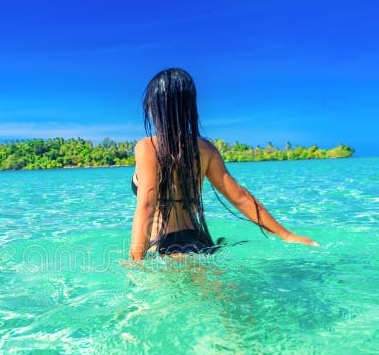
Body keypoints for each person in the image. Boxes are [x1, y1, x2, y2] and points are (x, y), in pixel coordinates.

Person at [130, 68, 319, 260]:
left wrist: (135, 261)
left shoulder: (148, 147)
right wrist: (286, 235)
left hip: (165, 246)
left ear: (155, 107)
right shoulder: (205, 149)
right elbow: (240, 197)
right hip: (200, 241)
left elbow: (146, 206)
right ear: (189, 107)